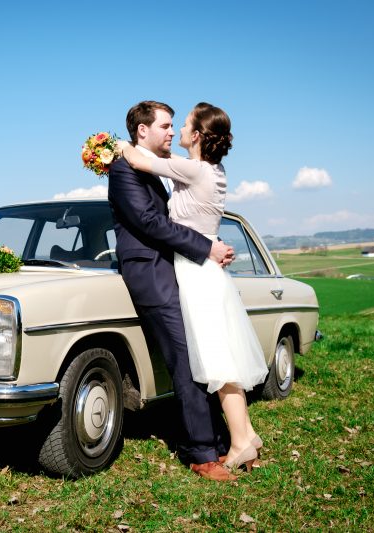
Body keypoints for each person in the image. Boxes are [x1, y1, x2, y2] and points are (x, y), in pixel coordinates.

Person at [118, 102, 268, 473]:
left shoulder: (183, 168)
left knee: (207, 359)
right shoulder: (131, 170)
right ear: (142, 131)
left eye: (179, 125)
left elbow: (147, 173)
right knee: (200, 359)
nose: (173, 132)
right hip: (163, 272)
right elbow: (150, 221)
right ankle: (229, 441)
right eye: (167, 125)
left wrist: (114, 146)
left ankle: (228, 441)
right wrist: (208, 246)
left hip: (193, 271)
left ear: (198, 136)